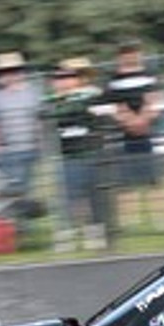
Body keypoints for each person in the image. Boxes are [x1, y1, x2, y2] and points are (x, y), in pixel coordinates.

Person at [43, 57, 109, 250]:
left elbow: (90, 110)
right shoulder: (53, 100)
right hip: (67, 154)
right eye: (59, 77)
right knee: (68, 195)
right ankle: (68, 234)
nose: (62, 81)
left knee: (93, 193)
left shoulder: (93, 95)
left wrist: (72, 100)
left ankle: (95, 231)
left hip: (91, 151)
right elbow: (48, 114)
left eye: (69, 76)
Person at [103, 40, 164, 230]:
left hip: (147, 134)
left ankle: (160, 221)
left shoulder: (150, 76)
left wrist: (143, 120)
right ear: (119, 57)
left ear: (139, 54)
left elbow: (154, 101)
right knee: (126, 184)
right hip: (123, 136)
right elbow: (114, 106)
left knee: (154, 181)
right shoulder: (113, 80)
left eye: (133, 52)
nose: (129, 56)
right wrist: (130, 121)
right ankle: (131, 224)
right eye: (125, 52)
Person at [0, 51, 44, 200]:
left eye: (13, 71)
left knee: (25, 191)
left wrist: (40, 145)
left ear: (21, 72)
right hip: (4, 152)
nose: (8, 75)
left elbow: (38, 121)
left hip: (29, 149)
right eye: (2, 72)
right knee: (10, 192)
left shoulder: (34, 93)